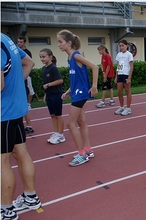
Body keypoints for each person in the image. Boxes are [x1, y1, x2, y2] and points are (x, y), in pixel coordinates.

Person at [1, 33, 42, 220]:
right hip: (15, 109)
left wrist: (9, 87)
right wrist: (15, 86)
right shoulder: (5, 39)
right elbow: (29, 63)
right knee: (20, 154)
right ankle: (30, 197)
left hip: (3, 112)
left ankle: (6, 211)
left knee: (1, 161)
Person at [57, 29, 98, 167]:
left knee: (70, 123)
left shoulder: (76, 56)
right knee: (81, 121)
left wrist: (94, 86)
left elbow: (95, 67)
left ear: (69, 43)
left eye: (60, 42)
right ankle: (87, 149)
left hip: (81, 94)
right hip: (75, 93)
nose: (58, 45)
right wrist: (69, 91)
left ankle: (81, 154)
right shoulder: (69, 58)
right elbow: (77, 79)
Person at [39, 48, 66, 144]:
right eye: (40, 57)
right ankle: (56, 132)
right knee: (52, 115)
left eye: (44, 57)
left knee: (58, 115)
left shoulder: (53, 68)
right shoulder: (44, 68)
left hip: (56, 94)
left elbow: (60, 80)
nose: (42, 59)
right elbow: (45, 83)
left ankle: (61, 134)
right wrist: (46, 94)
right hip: (49, 95)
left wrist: (48, 85)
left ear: (50, 57)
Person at [17, 35, 35, 133]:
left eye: (20, 42)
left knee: (27, 95)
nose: (19, 43)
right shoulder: (15, 51)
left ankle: (29, 125)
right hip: (17, 77)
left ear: (24, 42)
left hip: (24, 77)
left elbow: (30, 63)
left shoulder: (26, 53)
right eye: (18, 42)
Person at [114, 39, 134, 116]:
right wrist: (116, 76)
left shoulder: (129, 55)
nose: (121, 47)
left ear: (126, 46)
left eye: (123, 45)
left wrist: (129, 77)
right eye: (120, 46)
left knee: (127, 91)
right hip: (120, 74)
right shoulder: (119, 55)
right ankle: (122, 106)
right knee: (119, 91)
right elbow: (118, 66)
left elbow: (131, 67)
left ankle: (128, 108)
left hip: (126, 74)